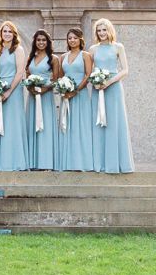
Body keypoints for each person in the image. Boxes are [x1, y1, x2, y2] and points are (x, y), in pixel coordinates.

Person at [89, 16, 133, 173]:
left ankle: (116, 164)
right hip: (97, 90)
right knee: (98, 123)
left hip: (113, 89)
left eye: (104, 30)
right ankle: (99, 164)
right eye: (99, 30)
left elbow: (125, 70)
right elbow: (89, 69)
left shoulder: (118, 47)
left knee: (114, 123)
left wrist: (109, 82)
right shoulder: (93, 49)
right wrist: (95, 81)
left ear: (109, 30)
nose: (101, 33)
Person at [0, 20, 30, 172]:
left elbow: (20, 72)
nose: (7, 34)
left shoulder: (18, 50)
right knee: (1, 123)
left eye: (9, 31)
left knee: (13, 124)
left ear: (14, 34)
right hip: (0, 90)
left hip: (13, 91)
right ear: (1, 34)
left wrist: (9, 91)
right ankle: (2, 162)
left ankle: (16, 162)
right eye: (4, 31)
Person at [56, 26, 93, 172]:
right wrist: (63, 90)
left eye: (75, 38)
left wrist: (76, 90)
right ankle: (67, 163)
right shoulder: (63, 57)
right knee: (67, 127)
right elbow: (59, 76)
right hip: (66, 97)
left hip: (80, 95)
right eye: (70, 38)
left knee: (80, 127)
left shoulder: (85, 55)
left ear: (80, 39)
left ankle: (82, 163)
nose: (72, 40)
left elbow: (88, 75)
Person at [26, 29, 58, 171]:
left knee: (45, 126)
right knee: (32, 126)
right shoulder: (31, 57)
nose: (41, 42)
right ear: (35, 42)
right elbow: (27, 76)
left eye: (44, 40)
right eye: (38, 40)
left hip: (45, 97)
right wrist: (30, 88)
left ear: (48, 42)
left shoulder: (54, 59)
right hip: (33, 97)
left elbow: (56, 80)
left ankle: (46, 163)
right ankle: (32, 162)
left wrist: (44, 89)